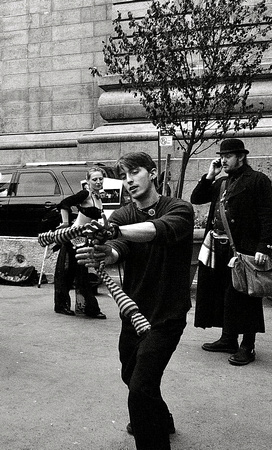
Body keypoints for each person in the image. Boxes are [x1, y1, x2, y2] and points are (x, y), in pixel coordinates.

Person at [76, 152, 194, 450]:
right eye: (124, 175)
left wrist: (114, 232)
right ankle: (161, 417)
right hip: (134, 313)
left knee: (140, 389)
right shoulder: (122, 215)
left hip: (167, 315)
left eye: (135, 172)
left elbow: (160, 231)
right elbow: (119, 248)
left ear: (152, 173)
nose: (129, 180)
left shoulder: (179, 208)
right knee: (130, 374)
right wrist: (106, 252)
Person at [191, 138, 272, 366]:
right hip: (218, 249)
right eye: (221, 156)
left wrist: (263, 248)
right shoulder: (221, 183)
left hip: (244, 250)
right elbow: (196, 198)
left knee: (246, 296)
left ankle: (248, 345)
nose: (223, 160)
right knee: (223, 293)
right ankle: (228, 338)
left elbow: (269, 216)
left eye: (227, 156)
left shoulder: (258, 180)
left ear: (241, 157)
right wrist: (210, 175)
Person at [53, 166, 107, 319]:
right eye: (94, 179)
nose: (98, 182)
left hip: (84, 238)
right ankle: (86, 308)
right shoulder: (85, 194)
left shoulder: (98, 197)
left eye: (100, 179)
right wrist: (64, 223)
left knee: (77, 272)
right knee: (76, 272)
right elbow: (64, 203)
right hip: (75, 237)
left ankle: (79, 306)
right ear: (88, 181)